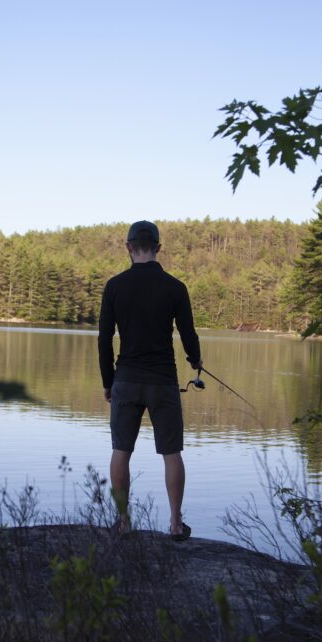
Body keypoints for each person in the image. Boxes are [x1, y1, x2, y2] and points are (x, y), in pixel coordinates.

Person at [98, 220, 201, 541]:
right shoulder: (175, 287)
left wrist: (107, 381)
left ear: (129, 247)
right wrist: (195, 360)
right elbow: (188, 334)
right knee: (171, 452)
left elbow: (104, 338)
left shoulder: (114, 286)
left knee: (120, 450)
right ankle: (174, 524)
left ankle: (123, 522)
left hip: (125, 380)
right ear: (157, 248)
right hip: (162, 381)